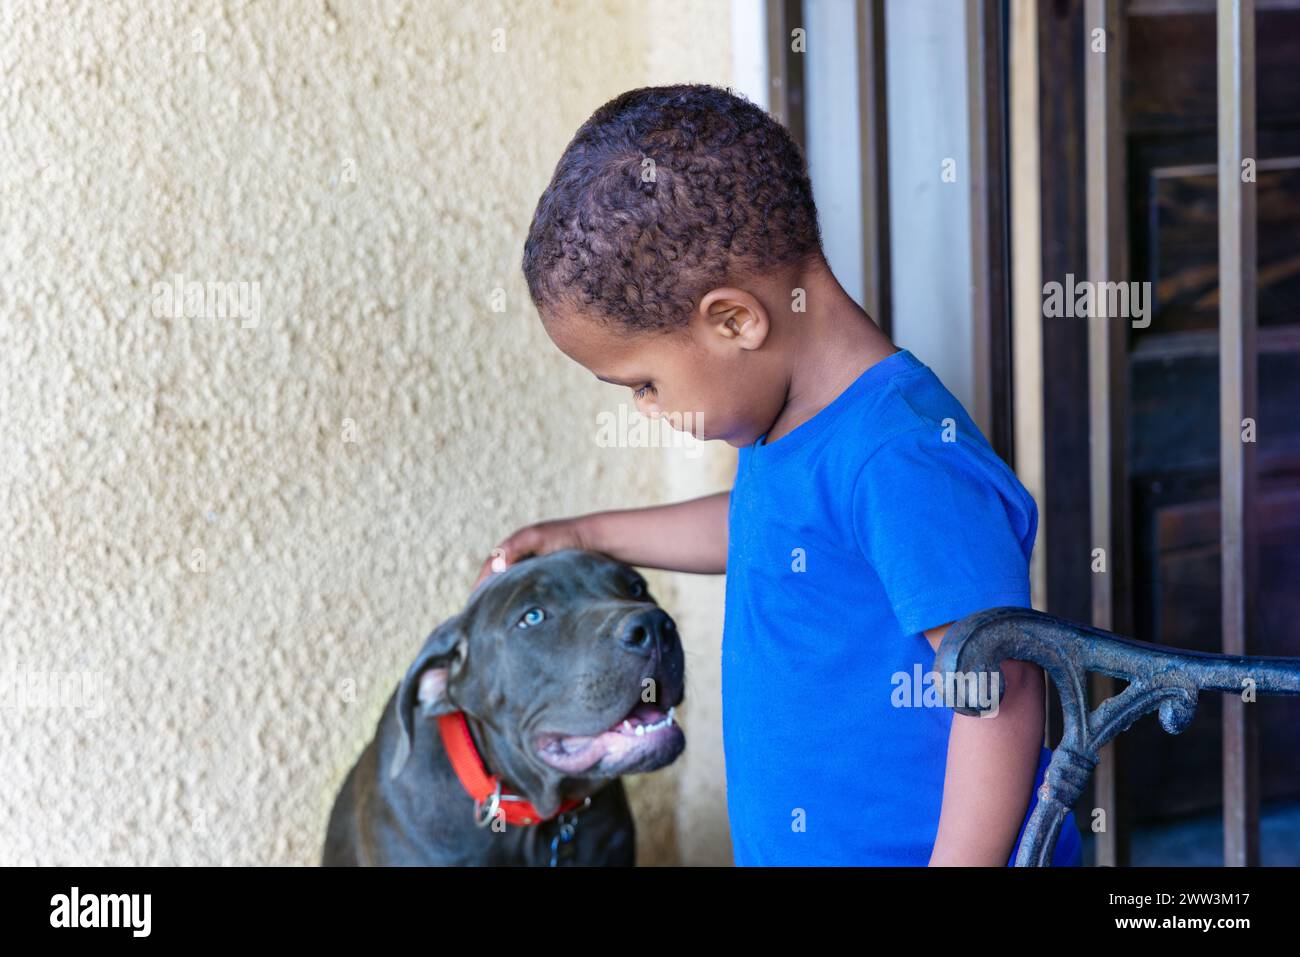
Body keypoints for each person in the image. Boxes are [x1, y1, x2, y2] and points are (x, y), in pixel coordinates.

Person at [477, 84, 1082, 866]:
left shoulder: (899, 457)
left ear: (735, 321)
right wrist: (588, 534)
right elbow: (760, 529)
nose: (646, 408)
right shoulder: (793, 427)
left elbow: (999, 686)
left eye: (646, 383)